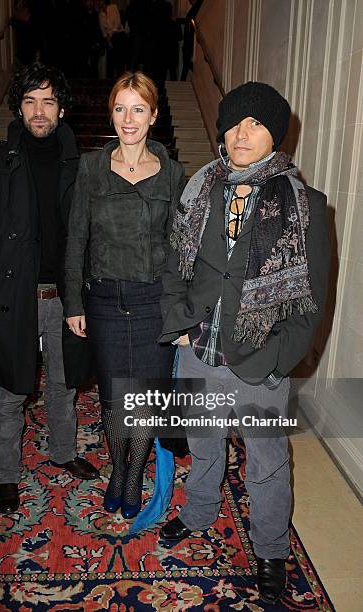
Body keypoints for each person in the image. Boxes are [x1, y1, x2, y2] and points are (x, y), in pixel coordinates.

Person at [158, 82, 330, 604]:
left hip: (262, 357)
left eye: (255, 123)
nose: (242, 132)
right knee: (204, 443)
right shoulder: (199, 189)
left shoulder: (306, 205)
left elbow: (312, 298)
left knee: (268, 461)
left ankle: (272, 549)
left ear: (275, 135)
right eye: (234, 122)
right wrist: (180, 326)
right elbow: (174, 265)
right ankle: (199, 511)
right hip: (200, 347)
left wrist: (278, 359)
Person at [0, 63, 99, 515]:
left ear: (61, 109)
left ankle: (63, 452)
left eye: (48, 101)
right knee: (12, 390)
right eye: (30, 101)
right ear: (18, 108)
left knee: (64, 386)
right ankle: (5, 475)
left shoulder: (81, 166)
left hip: (64, 297)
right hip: (12, 295)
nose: (39, 111)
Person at [64, 72, 186, 519]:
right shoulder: (91, 168)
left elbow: (179, 248)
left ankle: (133, 474)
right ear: (111, 114)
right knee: (116, 398)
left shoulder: (172, 173)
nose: (128, 118)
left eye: (138, 108)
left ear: (153, 115)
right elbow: (77, 237)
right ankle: (119, 468)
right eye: (120, 108)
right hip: (104, 301)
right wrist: (74, 302)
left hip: (153, 300)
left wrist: (179, 310)